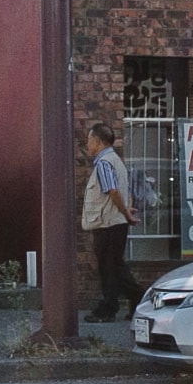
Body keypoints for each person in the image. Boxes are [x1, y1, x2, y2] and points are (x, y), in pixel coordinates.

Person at [81, 123, 139, 323]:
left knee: (110, 268)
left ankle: (113, 307)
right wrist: (125, 211)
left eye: (89, 140)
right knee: (114, 267)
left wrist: (125, 212)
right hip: (114, 222)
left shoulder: (104, 163)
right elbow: (117, 192)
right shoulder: (115, 161)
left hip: (108, 224)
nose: (87, 144)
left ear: (98, 141)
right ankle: (131, 302)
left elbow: (112, 191)